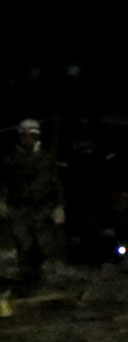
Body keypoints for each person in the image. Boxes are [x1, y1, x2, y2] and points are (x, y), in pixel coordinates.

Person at [2, 120, 61, 294]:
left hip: (42, 208)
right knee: (23, 244)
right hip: (19, 207)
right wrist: (1, 200)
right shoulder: (11, 158)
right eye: (25, 135)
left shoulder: (46, 158)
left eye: (32, 135)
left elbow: (56, 183)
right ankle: (27, 282)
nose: (28, 138)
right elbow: (3, 181)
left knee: (43, 246)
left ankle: (36, 276)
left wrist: (59, 206)